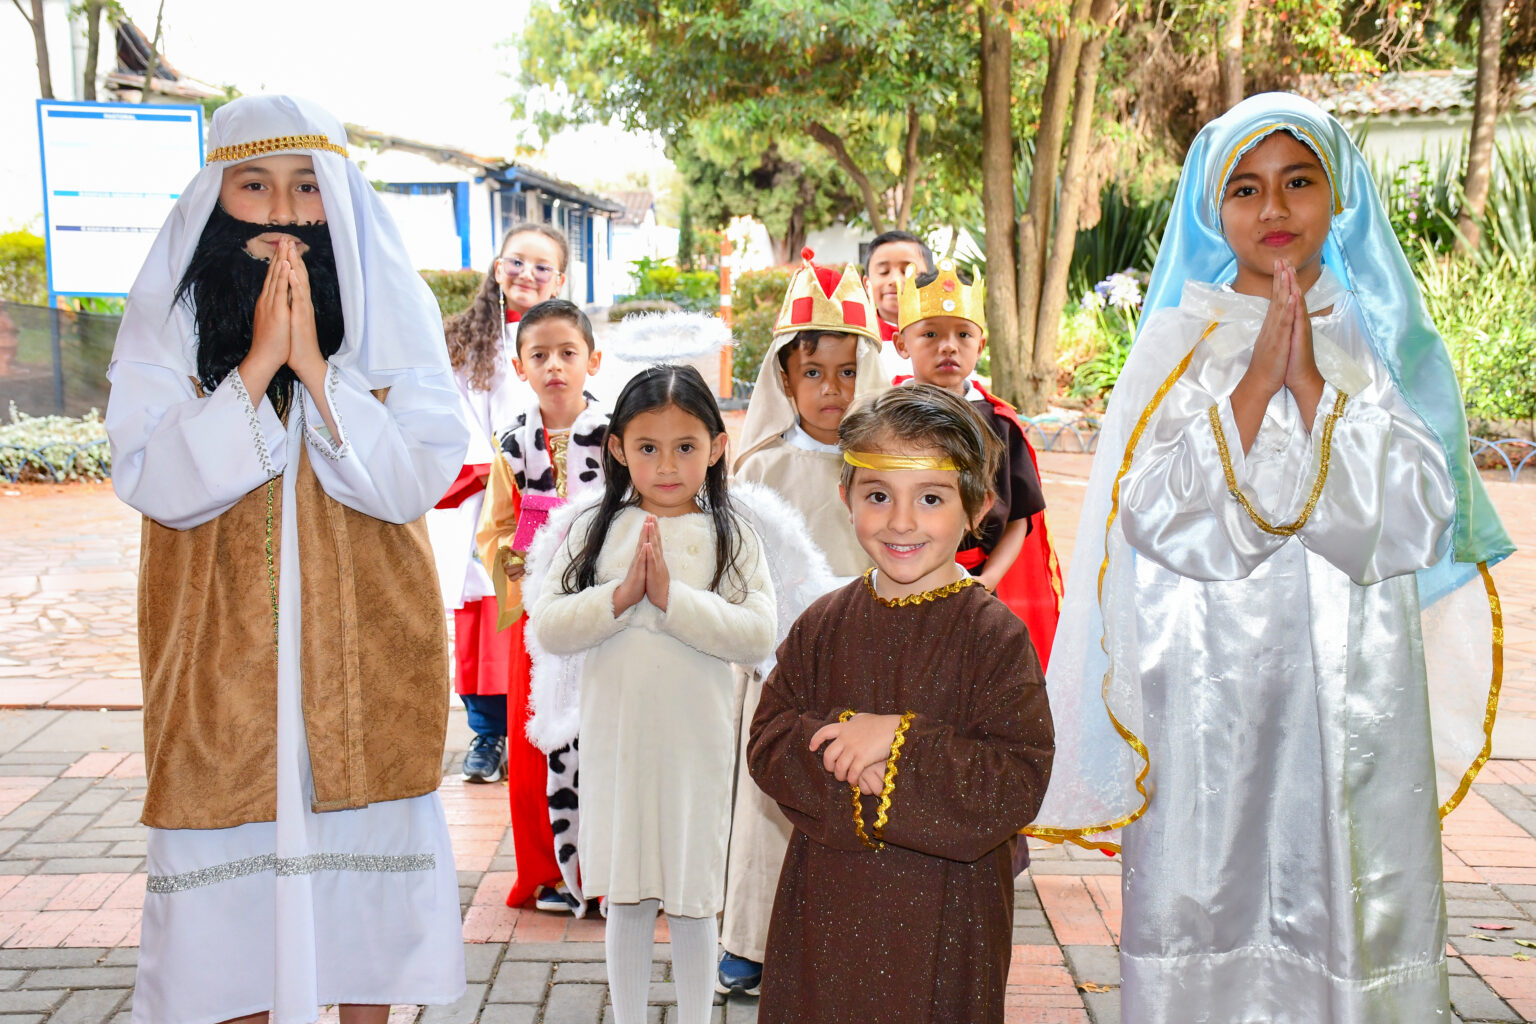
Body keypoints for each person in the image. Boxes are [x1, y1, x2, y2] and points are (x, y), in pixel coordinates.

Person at [1028, 93, 1514, 1021]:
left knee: (1349, 879)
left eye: (1299, 182)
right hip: (1208, 692)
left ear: (1339, 198)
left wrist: (1316, 388)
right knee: (1207, 882)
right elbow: (1152, 514)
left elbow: (1416, 516)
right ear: (1216, 212)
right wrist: (1256, 386)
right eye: (1246, 189)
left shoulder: (1371, 344)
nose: (1275, 210)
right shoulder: (1177, 342)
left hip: (1350, 687)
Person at [106, 94, 469, 1024]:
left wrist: (318, 371)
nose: (279, 214)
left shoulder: (394, 323)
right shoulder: (165, 329)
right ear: (217, 200)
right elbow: (152, 477)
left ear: (339, 201)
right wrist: (257, 370)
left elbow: (407, 484)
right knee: (229, 954)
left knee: (362, 945)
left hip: (365, 679)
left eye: (306, 188)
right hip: (221, 688)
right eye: (254, 185)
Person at [747, 383, 1055, 1024]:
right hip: (827, 906)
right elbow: (770, 738)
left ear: (976, 507)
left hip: (951, 915)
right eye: (878, 495)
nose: (901, 521)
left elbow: (1018, 775)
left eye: (932, 498)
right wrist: (844, 742)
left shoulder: (992, 635)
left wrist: (898, 744)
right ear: (847, 499)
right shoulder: (824, 622)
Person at [531, 364, 778, 1024]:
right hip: (617, 745)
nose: (667, 465)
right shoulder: (593, 530)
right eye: (648, 447)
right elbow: (548, 624)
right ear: (617, 448)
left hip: (696, 748)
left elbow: (759, 634)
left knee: (694, 896)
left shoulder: (733, 535)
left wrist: (673, 599)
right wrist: (617, 598)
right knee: (630, 895)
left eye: (686, 447)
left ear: (718, 447)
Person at [717, 249, 887, 996]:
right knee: (771, 795)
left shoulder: (885, 467)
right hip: (783, 663)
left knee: (857, 791)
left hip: (867, 660)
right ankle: (751, 938)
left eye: (848, 372)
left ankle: (856, 936)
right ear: (785, 378)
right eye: (813, 372)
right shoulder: (759, 469)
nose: (830, 389)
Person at [476, 297, 608, 912]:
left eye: (567, 353)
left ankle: (612, 871)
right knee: (535, 746)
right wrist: (516, 555)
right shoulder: (512, 444)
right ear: (518, 365)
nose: (554, 366)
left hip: (608, 612)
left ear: (593, 360)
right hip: (538, 618)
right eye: (539, 355)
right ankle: (547, 872)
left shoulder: (619, 436)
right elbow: (493, 531)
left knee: (607, 738)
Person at [433, 221, 570, 786]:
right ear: (497, 268)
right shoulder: (463, 343)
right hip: (490, 494)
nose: (527, 275)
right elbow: (453, 422)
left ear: (560, 279)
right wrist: (502, 467)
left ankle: (537, 728)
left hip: (555, 497)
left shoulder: (565, 337)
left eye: (542, 267)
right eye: (516, 262)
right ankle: (488, 733)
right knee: (486, 614)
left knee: (545, 617)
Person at [892, 261, 1063, 666]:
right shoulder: (886, 419)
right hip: (902, 579)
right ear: (902, 344)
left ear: (980, 345)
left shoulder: (1000, 425)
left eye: (962, 334)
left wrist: (987, 583)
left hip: (978, 587)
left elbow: (1021, 519)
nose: (948, 346)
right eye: (930, 333)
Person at [862, 230, 934, 379]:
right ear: (867, 283)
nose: (894, 280)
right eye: (883, 271)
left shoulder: (944, 337)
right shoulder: (857, 340)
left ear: (930, 279)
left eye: (907, 271)